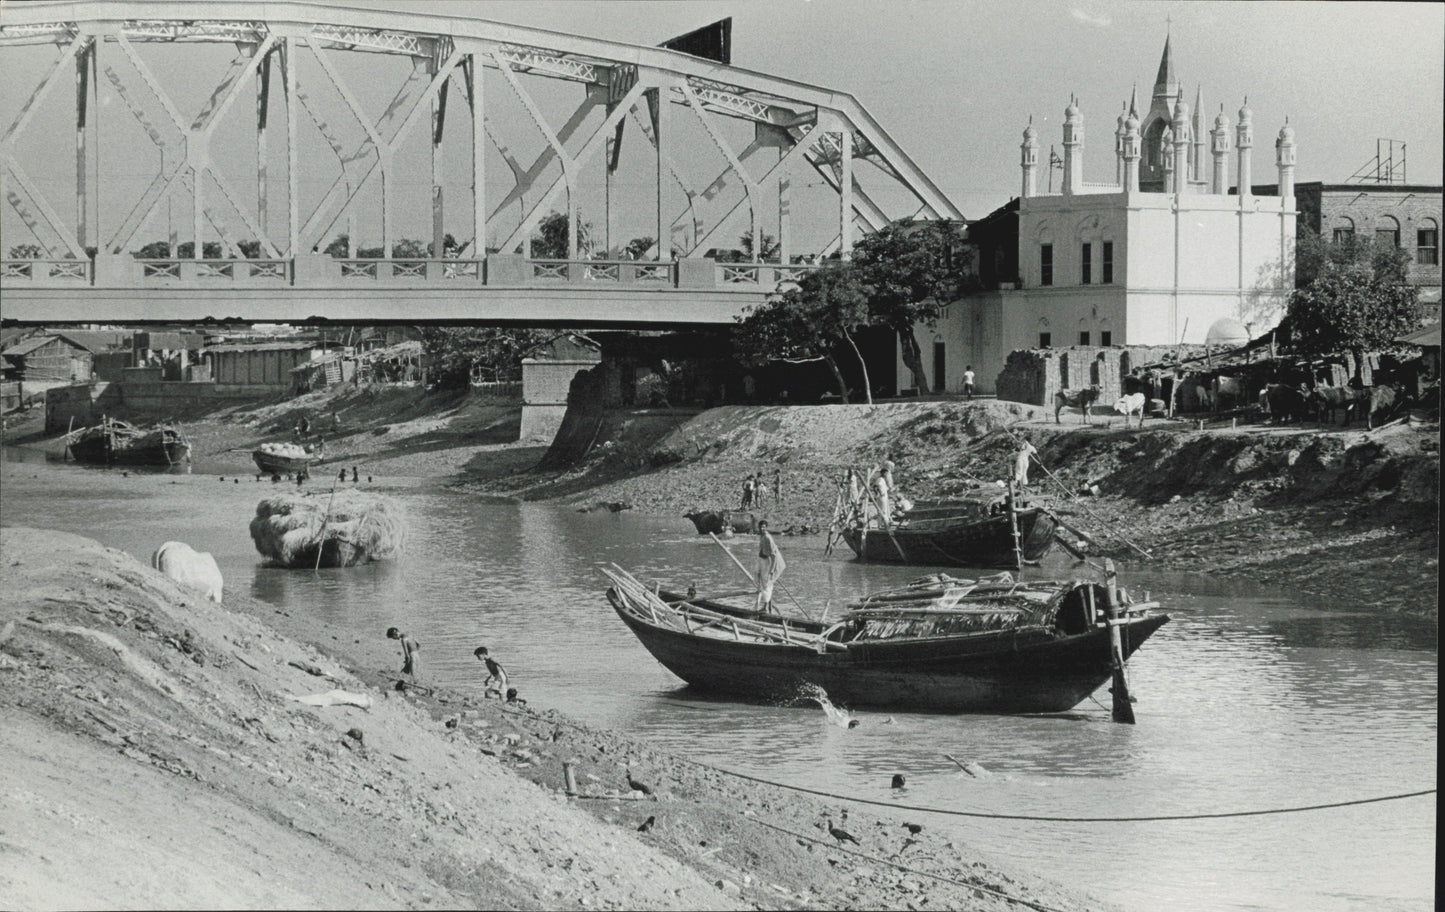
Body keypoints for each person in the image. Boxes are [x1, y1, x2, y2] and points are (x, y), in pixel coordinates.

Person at [754, 520, 786, 613]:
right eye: (760, 527)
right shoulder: (762, 536)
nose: (762, 529)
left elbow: (773, 555)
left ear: (766, 527)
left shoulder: (768, 537)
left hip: (769, 561)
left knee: (767, 583)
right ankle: (767, 605)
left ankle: (765, 607)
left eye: (764, 527)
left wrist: (772, 570)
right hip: (762, 559)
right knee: (758, 576)